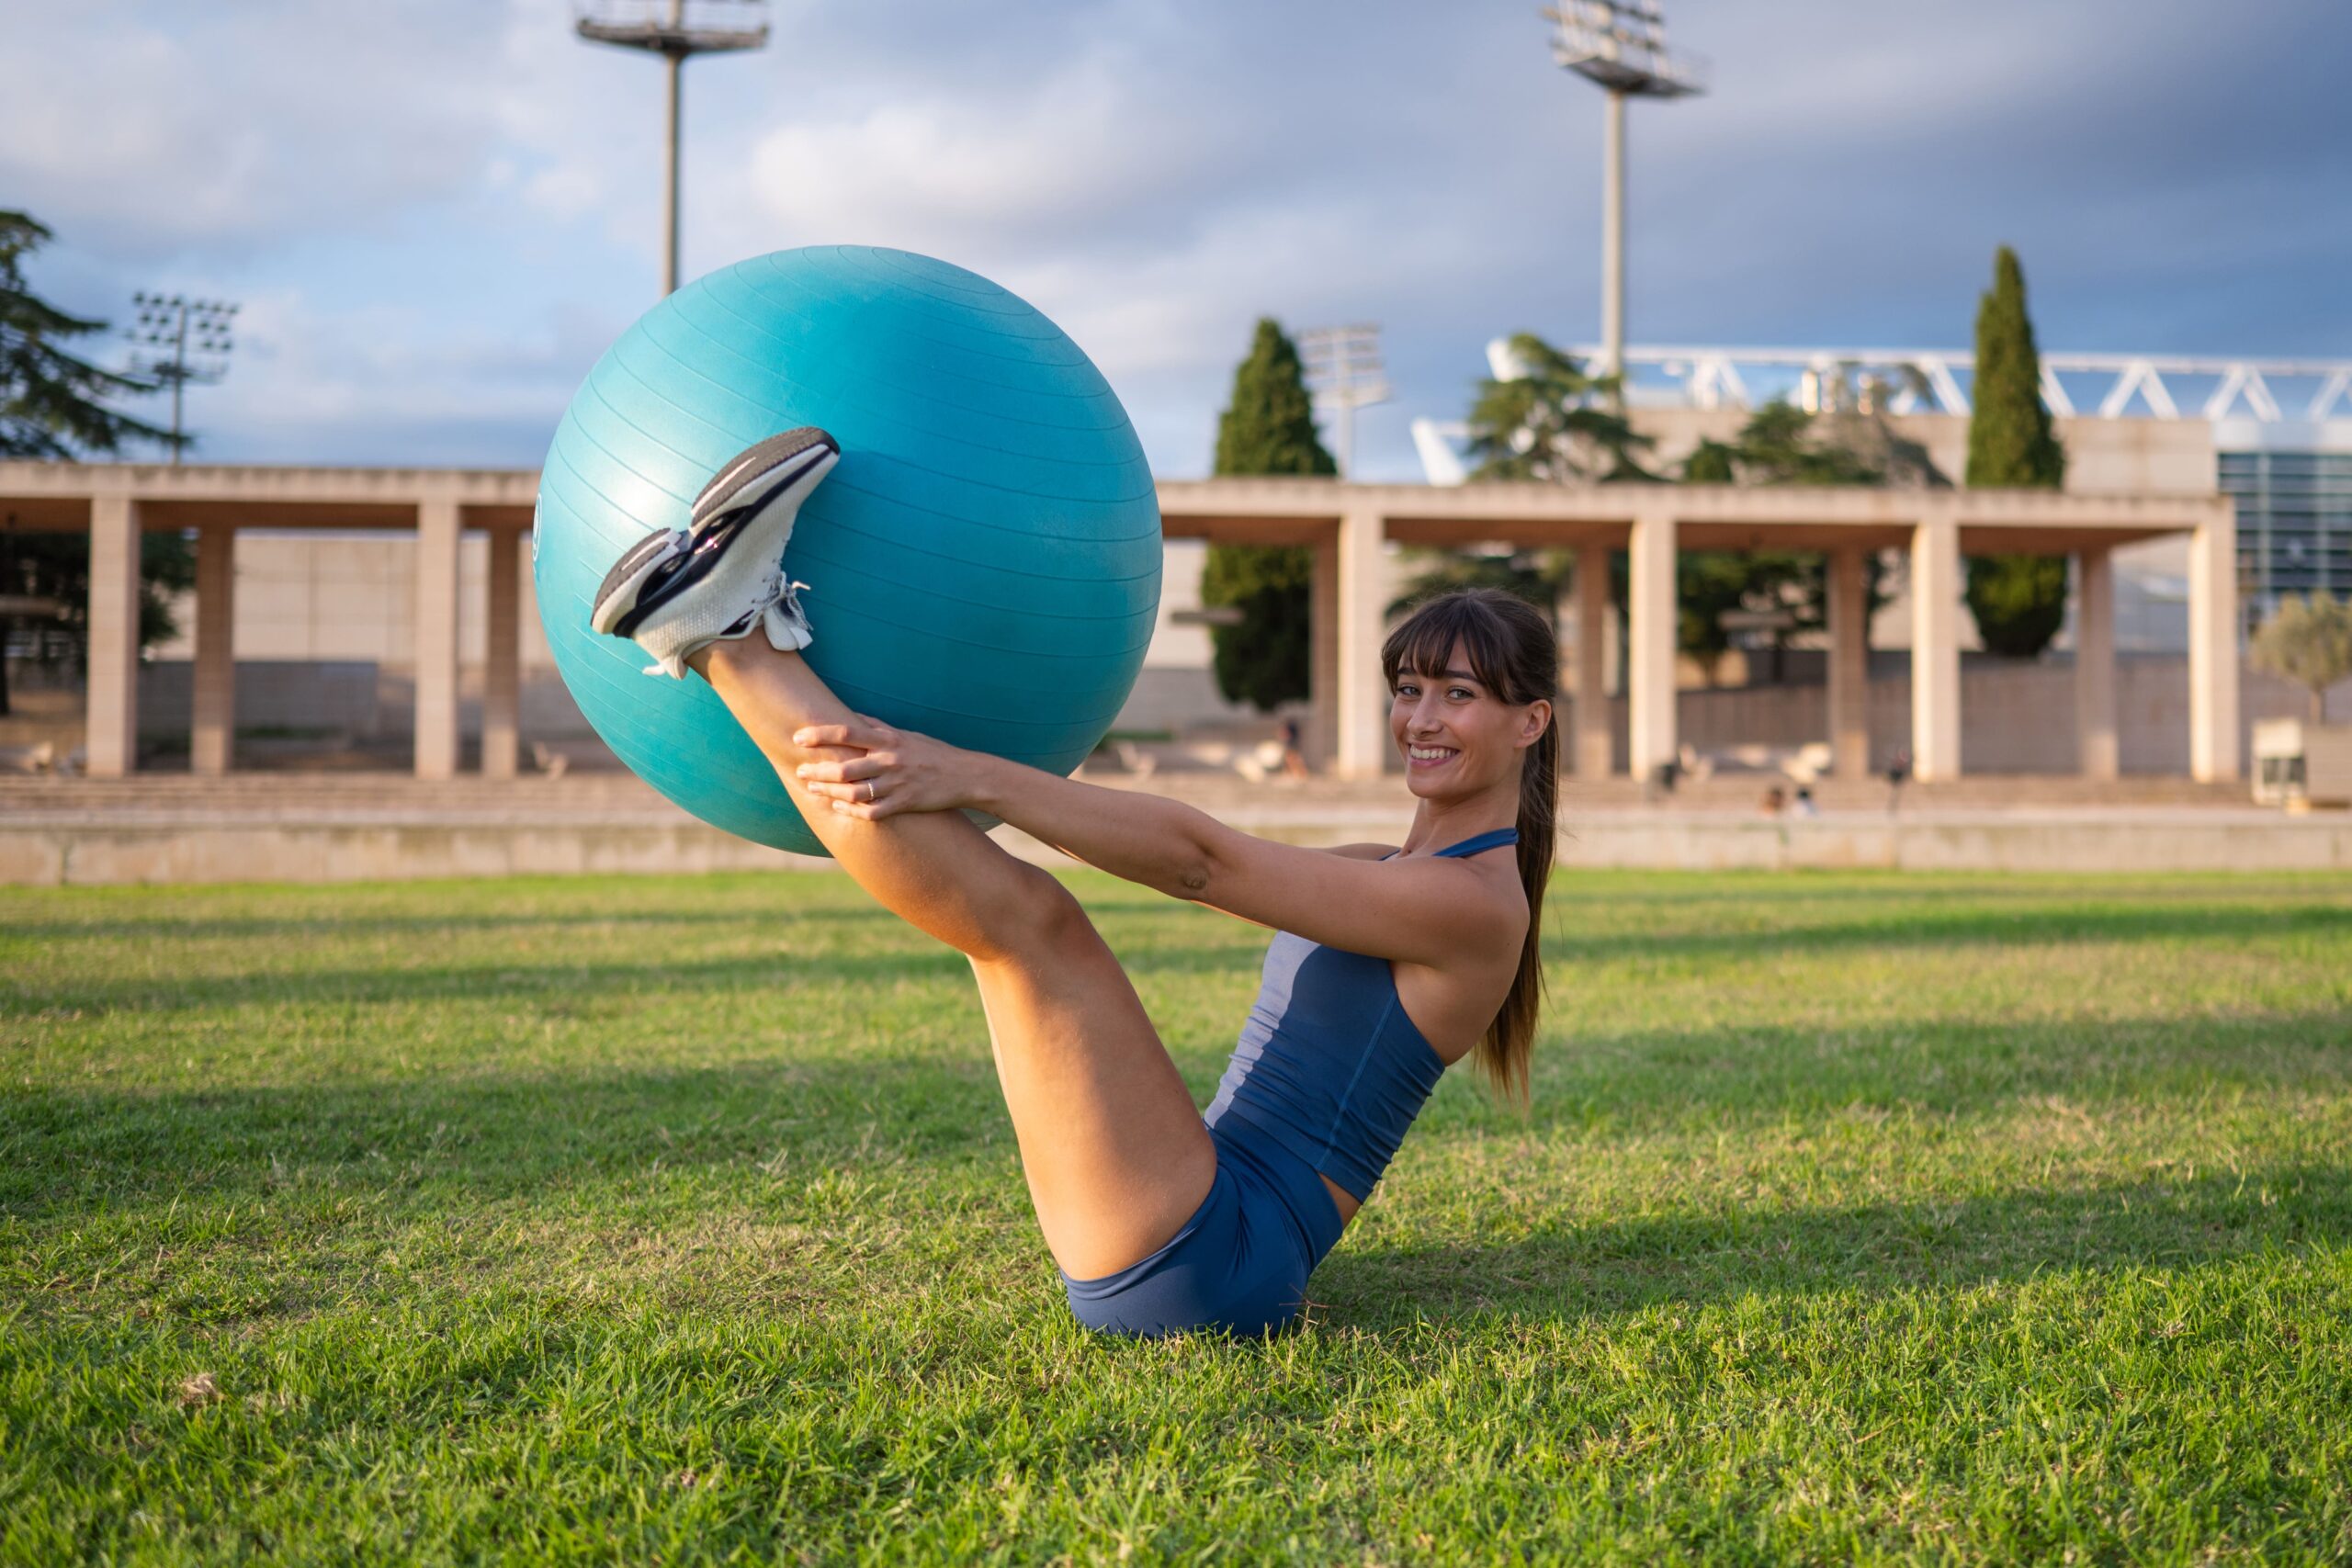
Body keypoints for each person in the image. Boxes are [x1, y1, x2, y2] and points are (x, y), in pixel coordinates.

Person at [589, 429, 1559, 1338]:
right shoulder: (1385, 870)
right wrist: (976, 789)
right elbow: (1195, 865)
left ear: (1530, 722)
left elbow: (1201, 861)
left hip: (1215, 1257)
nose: (1421, 718)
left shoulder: (1474, 906)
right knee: (1011, 921)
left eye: (1459, 695)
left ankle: (727, 638)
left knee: (1029, 926)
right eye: (1408, 689)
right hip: (1195, 1200)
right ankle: (724, 636)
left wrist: (972, 773)